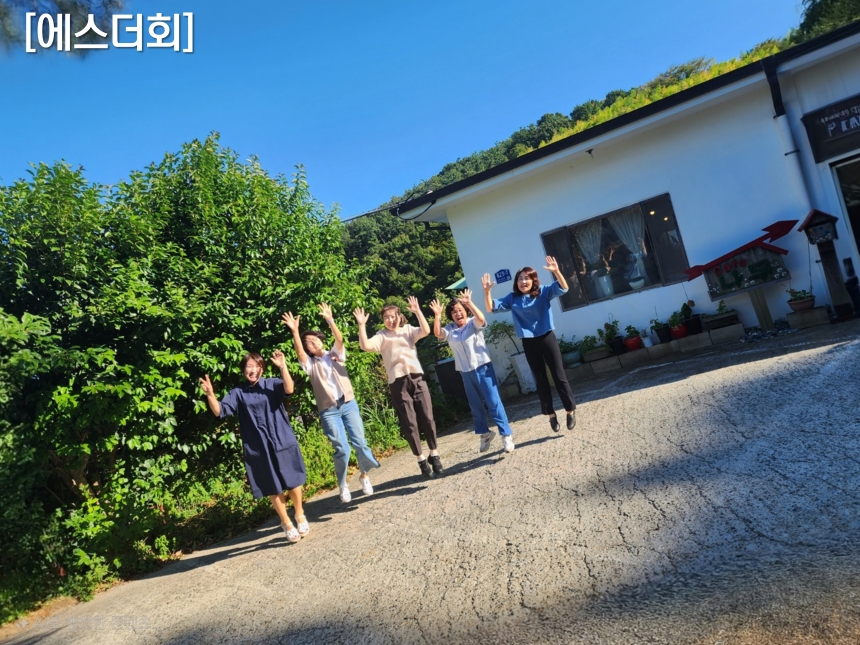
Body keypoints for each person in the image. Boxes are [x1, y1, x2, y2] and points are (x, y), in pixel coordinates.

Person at [199, 350, 308, 543]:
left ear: (262, 369)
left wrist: (283, 367)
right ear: (243, 370)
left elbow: (289, 389)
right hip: (258, 447)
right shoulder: (238, 393)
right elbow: (219, 411)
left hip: (282, 439)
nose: (253, 370)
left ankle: (299, 514)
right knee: (272, 485)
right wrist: (210, 394)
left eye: (257, 366)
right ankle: (285, 522)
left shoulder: (272, 384)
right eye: (249, 366)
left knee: (293, 480)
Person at [281, 304, 380, 504]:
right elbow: (299, 354)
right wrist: (295, 331)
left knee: (360, 443)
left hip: (348, 404)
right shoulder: (310, 365)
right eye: (308, 343)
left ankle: (364, 476)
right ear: (307, 349)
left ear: (321, 339)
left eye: (314, 339)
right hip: (329, 410)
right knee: (342, 448)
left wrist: (330, 320)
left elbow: (339, 339)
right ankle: (343, 484)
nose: (312, 343)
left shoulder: (335, 354)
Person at [482, 256, 577, 432]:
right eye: (520, 278)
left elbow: (564, 288)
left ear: (533, 280)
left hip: (547, 337)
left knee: (559, 375)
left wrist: (556, 271)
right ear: (516, 282)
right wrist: (487, 292)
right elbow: (490, 308)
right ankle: (551, 415)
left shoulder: (543, 292)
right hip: (529, 342)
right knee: (540, 379)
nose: (523, 281)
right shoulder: (512, 298)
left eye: (526, 278)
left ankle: (570, 411)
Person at [353, 297, 443, 479]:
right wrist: (361, 325)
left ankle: (434, 454)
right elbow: (365, 346)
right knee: (410, 423)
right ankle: (421, 459)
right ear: (383, 320)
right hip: (398, 383)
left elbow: (425, 331)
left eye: (393, 316)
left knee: (427, 417)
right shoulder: (381, 336)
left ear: (399, 316)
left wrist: (417, 311)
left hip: (417, 378)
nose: (390, 320)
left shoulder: (407, 330)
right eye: (386, 317)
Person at [429, 289, 515, 454]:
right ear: (451, 315)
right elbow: (437, 333)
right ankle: (485, 434)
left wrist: (469, 303)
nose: (458, 314)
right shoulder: (450, 329)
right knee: (475, 406)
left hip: (483, 368)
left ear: (465, 311)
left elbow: (481, 319)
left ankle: (506, 435)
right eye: (454, 312)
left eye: (460, 310)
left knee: (493, 402)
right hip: (465, 372)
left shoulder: (472, 323)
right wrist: (437, 316)